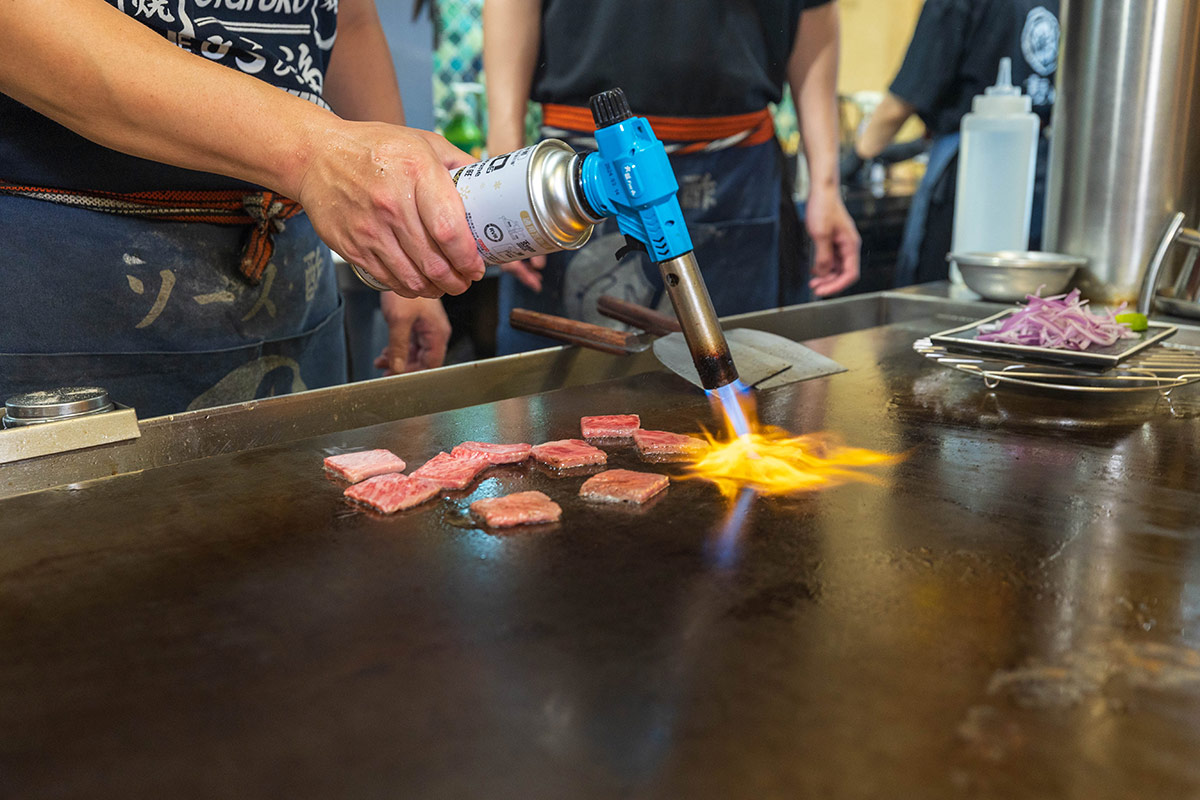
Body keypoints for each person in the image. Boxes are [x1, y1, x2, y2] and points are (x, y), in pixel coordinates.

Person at [0, 0, 484, 417]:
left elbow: (349, 18)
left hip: (294, 274)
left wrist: (399, 229)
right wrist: (313, 154)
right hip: (69, 276)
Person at [483, 0, 861, 355]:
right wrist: (506, 175)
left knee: (744, 384)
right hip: (581, 170)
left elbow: (815, 11)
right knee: (559, 401)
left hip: (736, 171)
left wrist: (825, 187)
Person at [851, 0, 1061, 286]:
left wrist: (858, 153)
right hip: (1041, 174)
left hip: (971, 172)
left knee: (950, 292)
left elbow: (905, 97)